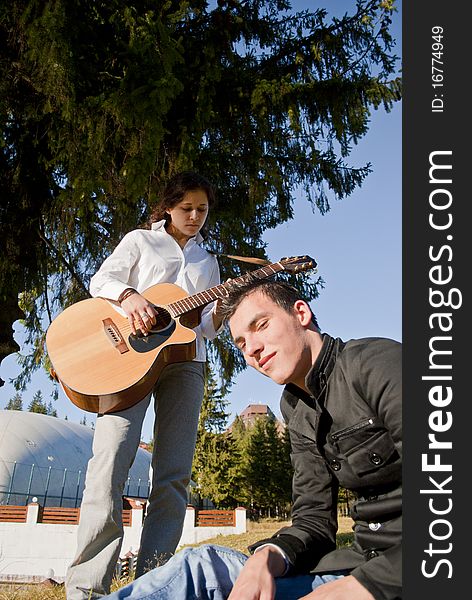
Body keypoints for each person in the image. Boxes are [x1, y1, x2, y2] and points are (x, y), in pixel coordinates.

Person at [102, 277, 402, 600]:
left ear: (301, 313)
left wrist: (357, 589)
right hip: (355, 565)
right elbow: (313, 521)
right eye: (242, 344)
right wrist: (267, 557)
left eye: (261, 325)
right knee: (202, 567)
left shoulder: (377, 363)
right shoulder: (296, 407)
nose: (252, 350)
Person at [65, 171, 223, 600]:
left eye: (202, 210)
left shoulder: (209, 262)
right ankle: (86, 586)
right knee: (109, 463)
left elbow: (204, 328)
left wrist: (221, 312)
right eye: (187, 208)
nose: (194, 216)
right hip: (127, 364)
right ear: (169, 207)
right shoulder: (140, 241)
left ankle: (152, 583)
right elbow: (102, 281)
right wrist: (132, 296)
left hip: (186, 364)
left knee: (173, 474)